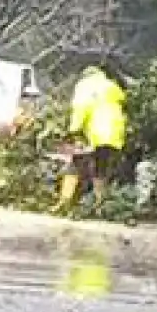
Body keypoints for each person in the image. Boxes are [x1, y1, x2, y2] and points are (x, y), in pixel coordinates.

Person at [61, 65, 128, 210]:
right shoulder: (111, 86)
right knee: (100, 168)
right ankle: (100, 204)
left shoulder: (85, 86)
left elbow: (81, 108)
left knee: (75, 164)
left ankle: (65, 201)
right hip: (114, 134)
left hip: (95, 133)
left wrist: (73, 130)